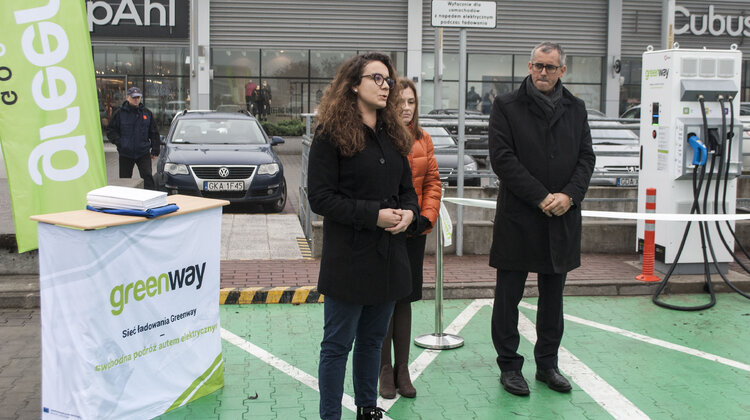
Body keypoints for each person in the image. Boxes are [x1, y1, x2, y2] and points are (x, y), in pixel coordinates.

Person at [307, 52, 419, 420]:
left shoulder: (393, 135)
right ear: (354, 84)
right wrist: (374, 215)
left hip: (388, 257)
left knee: (372, 342)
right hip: (349, 260)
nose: (386, 86)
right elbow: (321, 198)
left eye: (389, 80)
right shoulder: (329, 134)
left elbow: (406, 190)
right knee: (338, 345)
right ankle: (330, 416)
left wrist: (408, 214)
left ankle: (367, 409)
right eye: (377, 78)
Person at [487, 41, 595, 397]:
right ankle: (509, 366)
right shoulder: (506, 106)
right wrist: (541, 196)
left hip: (561, 218)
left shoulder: (576, 109)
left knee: (554, 299)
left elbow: (586, 158)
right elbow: (502, 158)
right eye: (537, 66)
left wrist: (569, 195)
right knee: (508, 298)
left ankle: (547, 364)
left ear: (562, 71)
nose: (543, 72)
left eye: (550, 67)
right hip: (519, 218)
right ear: (529, 67)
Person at [378, 78, 441, 400]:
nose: (405, 108)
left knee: (405, 299)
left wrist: (424, 217)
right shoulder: (379, 137)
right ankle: (384, 370)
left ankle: (403, 369)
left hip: (413, 231)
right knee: (384, 300)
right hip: (385, 230)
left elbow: (432, 182)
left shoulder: (423, 139)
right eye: (400, 101)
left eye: (411, 102)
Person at [107, 87, 160, 190]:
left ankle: (150, 200)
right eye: (134, 97)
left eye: (138, 97)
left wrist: (155, 150)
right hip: (125, 153)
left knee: (147, 178)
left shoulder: (147, 113)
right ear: (127, 97)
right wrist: (120, 143)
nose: (136, 100)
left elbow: (154, 132)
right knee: (124, 181)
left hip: (143, 152)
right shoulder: (119, 114)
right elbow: (111, 131)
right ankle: (125, 202)